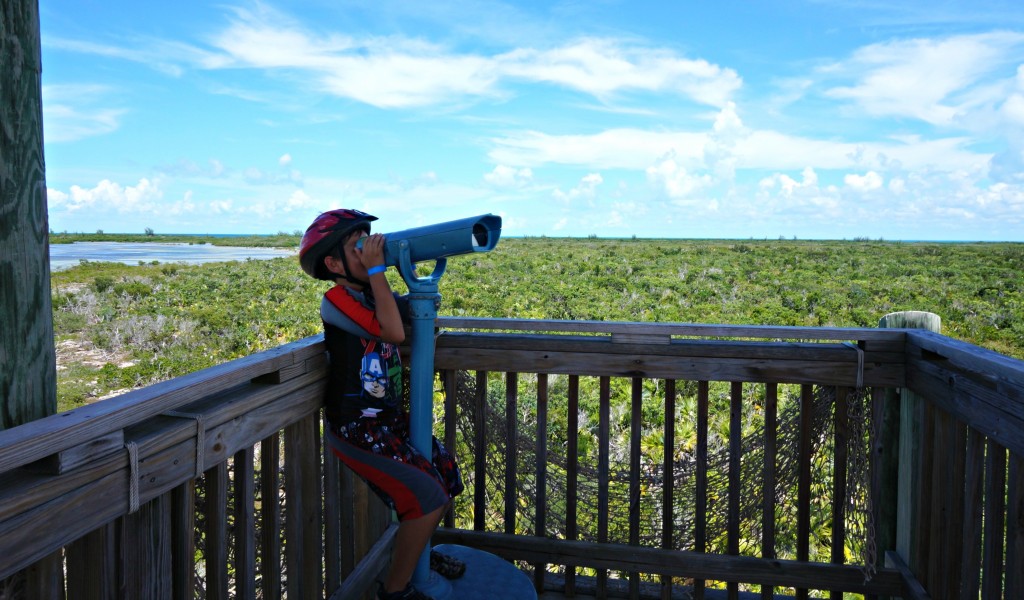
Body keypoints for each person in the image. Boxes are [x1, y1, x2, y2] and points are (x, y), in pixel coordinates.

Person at [299, 208, 465, 600]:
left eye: (368, 240)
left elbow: (413, 319)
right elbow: (392, 330)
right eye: (357, 246)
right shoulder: (335, 300)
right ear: (333, 263)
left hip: (388, 421)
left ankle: (417, 555)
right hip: (357, 428)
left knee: (445, 476)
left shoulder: (372, 294)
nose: (369, 249)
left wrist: (402, 286)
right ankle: (394, 590)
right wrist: (378, 272)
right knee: (426, 497)